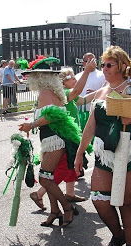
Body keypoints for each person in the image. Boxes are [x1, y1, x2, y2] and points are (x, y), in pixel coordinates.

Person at [74, 46, 131, 246]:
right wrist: (79, 152)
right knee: (99, 200)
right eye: (103, 65)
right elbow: (91, 125)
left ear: (122, 66)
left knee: (128, 203)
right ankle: (118, 234)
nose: (104, 68)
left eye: (108, 65)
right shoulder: (102, 91)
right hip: (105, 153)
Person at [18, 55, 87, 227]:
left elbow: (52, 116)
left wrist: (31, 124)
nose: (30, 80)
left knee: (44, 178)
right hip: (51, 139)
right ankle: (54, 211)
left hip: (55, 138)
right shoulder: (52, 92)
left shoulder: (46, 93)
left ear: (39, 78)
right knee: (48, 177)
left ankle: (66, 207)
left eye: (32, 77)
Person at [29, 60, 98, 209]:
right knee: (56, 172)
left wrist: (102, 91)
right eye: (72, 78)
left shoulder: (56, 93)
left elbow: (84, 99)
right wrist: (86, 72)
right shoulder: (63, 93)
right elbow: (77, 92)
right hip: (59, 138)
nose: (75, 80)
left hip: (62, 137)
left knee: (64, 170)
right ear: (63, 82)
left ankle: (65, 199)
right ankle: (53, 200)